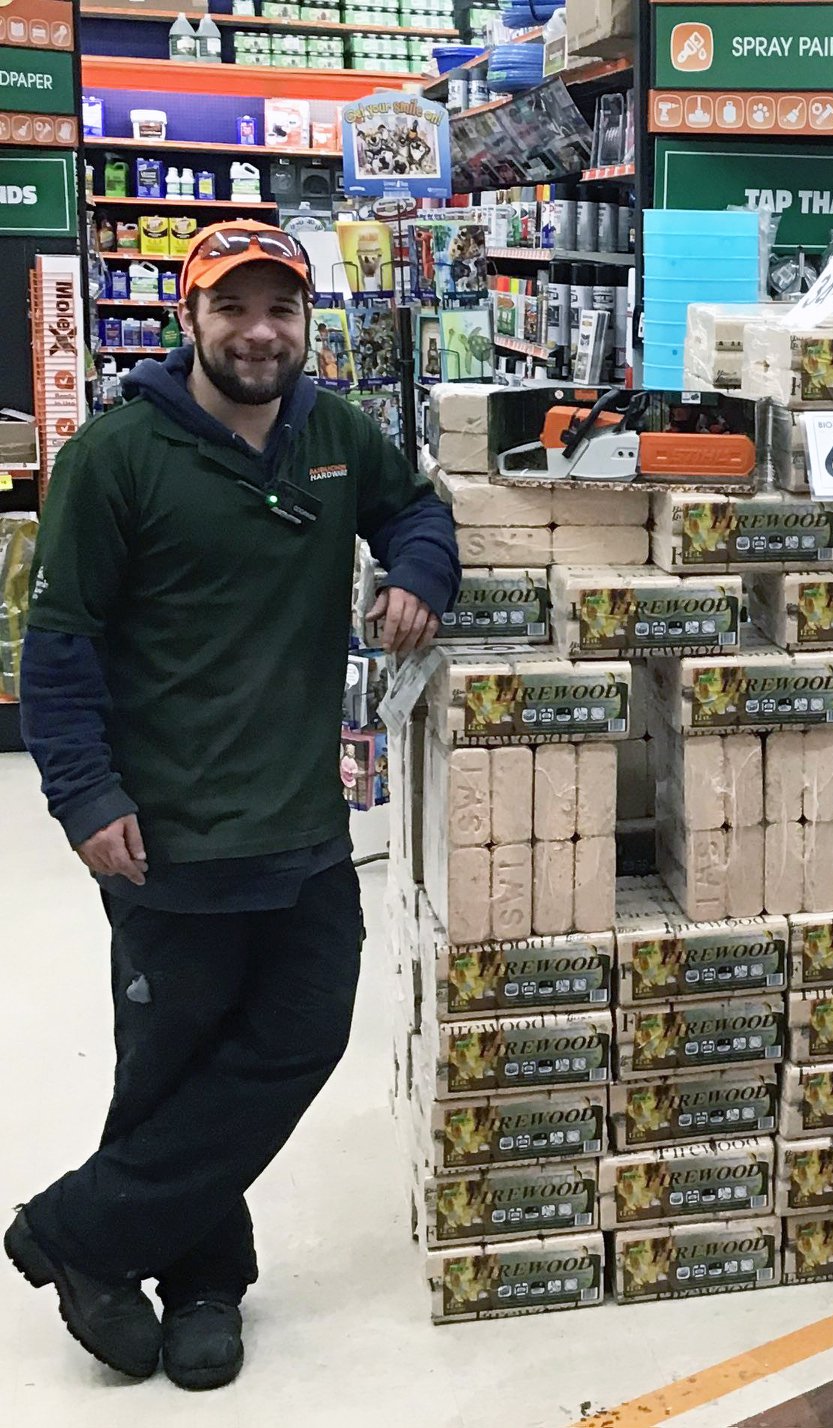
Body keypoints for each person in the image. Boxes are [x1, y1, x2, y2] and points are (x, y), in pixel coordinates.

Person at [7, 220, 459, 1389]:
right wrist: (84, 795)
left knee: (302, 1035)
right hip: (167, 836)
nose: (260, 333)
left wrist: (418, 572)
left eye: (280, 310)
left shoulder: (330, 433)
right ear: (191, 319)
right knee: (173, 1061)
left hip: (303, 824)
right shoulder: (117, 456)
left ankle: (80, 1235)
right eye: (233, 308)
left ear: (306, 321)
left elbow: (416, 509)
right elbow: (59, 646)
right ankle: (206, 1281)